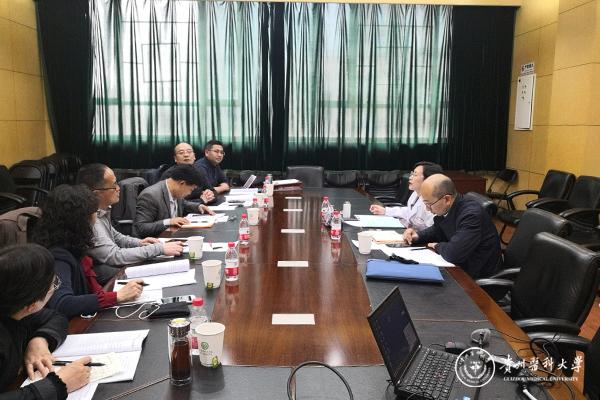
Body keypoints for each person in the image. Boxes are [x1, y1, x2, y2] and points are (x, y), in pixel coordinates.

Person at [32, 185, 144, 319]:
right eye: (95, 212)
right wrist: (117, 296)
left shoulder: (71, 244)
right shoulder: (58, 256)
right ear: (80, 219)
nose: (96, 217)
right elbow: (63, 303)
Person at [0, 244, 91, 399]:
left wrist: (40, 340)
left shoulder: (17, 311)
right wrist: (58, 385)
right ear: (32, 305)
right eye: (54, 284)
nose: (55, 287)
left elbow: (56, 317)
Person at [76, 163, 184, 285]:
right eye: (113, 185)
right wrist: (158, 249)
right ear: (96, 193)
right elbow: (114, 256)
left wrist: (139, 243)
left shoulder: (102, 210)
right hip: (103, 275)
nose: (118, 188)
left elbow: (116, 237)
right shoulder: (91, 220)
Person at [403, 174, 501, 279]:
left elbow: (454, 254)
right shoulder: (452, 206)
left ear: (447, 199)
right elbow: (438, 229)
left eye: (429, 204)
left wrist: (437, 246)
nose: (427, 209)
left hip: (478, 276)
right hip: (462, 266)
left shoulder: (471, 215)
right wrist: (418, 236)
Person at [134, 164, 214, 238]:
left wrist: (198, 206)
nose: (190, 193)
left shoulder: (175, 190)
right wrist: (169, 222)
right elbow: (141, 228)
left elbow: (183, 204)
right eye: (191, 190)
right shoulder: (150, 196)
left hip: (174, 236)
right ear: (182, 183)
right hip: (157, 241)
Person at [369, 161, 443, 229]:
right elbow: (409, 211)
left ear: (428, 179)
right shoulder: (415, 193)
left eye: (415, 175)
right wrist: (385, 210)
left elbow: (432, 231)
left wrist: (415, 232)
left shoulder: (434, 203)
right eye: (412, 174)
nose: (410, 178)